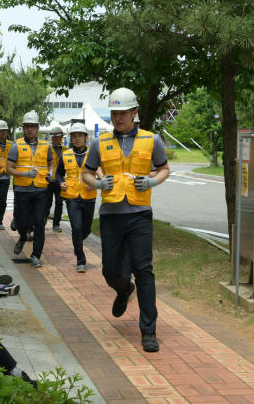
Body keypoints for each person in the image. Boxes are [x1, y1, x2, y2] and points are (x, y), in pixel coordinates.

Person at [81, 88, 169, 353]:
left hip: (140, 214)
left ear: (134, 113)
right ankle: (123, 289)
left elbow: (164, 168)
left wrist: (152, 180)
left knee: (144, 270)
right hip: (111, 214)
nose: (118, 118)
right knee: (110, 270)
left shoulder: (152, 140)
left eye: (122, 113)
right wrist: (98, 183)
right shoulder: (100, 143)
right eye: (114, 113)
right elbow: (86, 173)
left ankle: (149, 331)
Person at [5, 111, 54, 268]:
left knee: (39, 222)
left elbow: (51, 163)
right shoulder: (16, 145)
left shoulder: (46, 146)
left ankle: (36, 255)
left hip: (40, 190)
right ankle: (22, 236)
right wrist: (24, 173)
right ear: (23, 128)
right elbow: (8, 168)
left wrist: (51, 173)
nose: (30, 129)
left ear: (38, 128)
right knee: (22, 222)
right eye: (27, 126)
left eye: (32, 126)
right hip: (22, 190)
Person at [56, 123, 101, 273]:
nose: (77, 139)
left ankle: (77, 242)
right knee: (76, 227)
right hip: (72, 196)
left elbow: (103, 174)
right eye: (74, 136)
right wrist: (61, 182)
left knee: (86, 229)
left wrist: (95, 184)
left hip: (89, 196)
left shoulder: (93, 155)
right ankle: (80, 260)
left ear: (85, 137)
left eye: (80, 136)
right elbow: (58, 173)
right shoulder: (66, 154)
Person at [44, 125, 66, 233]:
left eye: (58, 137)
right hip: (48, 181)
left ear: (61, 137)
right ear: (51, 138)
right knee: (47, 202)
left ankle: (56, 224)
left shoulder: (66, 150)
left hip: (60, 181)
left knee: (59, 203)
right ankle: (43, 220)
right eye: (54, 137)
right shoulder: (47, 149)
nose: (56, 139)